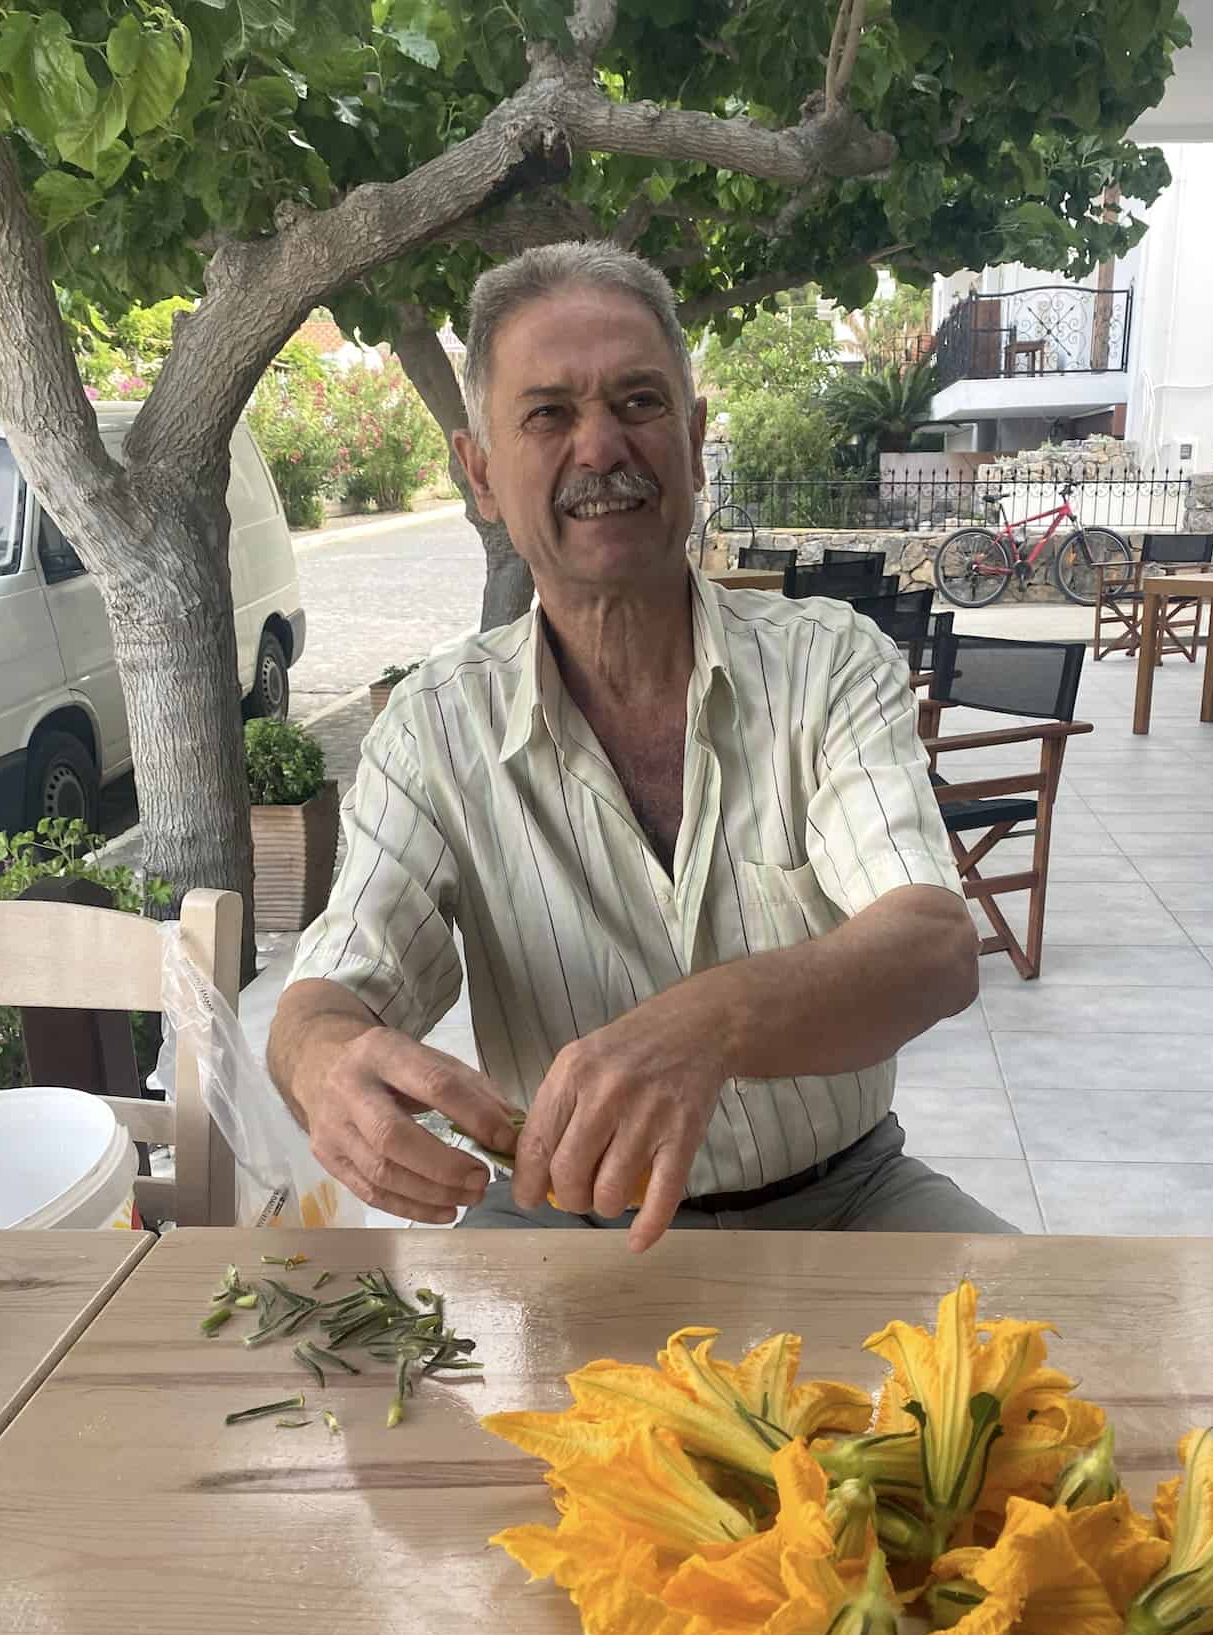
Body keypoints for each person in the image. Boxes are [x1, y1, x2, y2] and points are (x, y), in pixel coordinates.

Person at [267, 241, 1013, 1249]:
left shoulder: (827, 663)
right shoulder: (434, 725)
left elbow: (932, 946)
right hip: (554, 1218)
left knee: (1065, 1375)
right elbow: (333, 985)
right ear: (480, 474)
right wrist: (322, 1060)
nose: (601, 446)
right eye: (548, 414)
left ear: (696, 443)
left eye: (640, 403)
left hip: (845, 1201)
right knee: (359, 1402)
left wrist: (715, 1021)